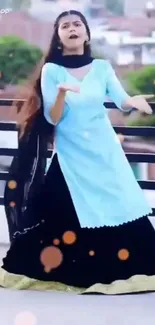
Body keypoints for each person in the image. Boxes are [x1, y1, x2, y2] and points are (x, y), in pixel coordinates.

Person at [0, 10, 155, 295]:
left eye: (77, 24)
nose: (72, 28)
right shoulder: (52, 70)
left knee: (121, 205)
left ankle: (131, 270)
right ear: (58, 37)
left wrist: (135, 101)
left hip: (104, 152)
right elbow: (53, 118)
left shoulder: (102, 67)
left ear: (86, 32)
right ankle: (68, 271)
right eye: (65, 26)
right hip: (71, 155)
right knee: (59, 211)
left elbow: (120, 102)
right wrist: (60, 93)